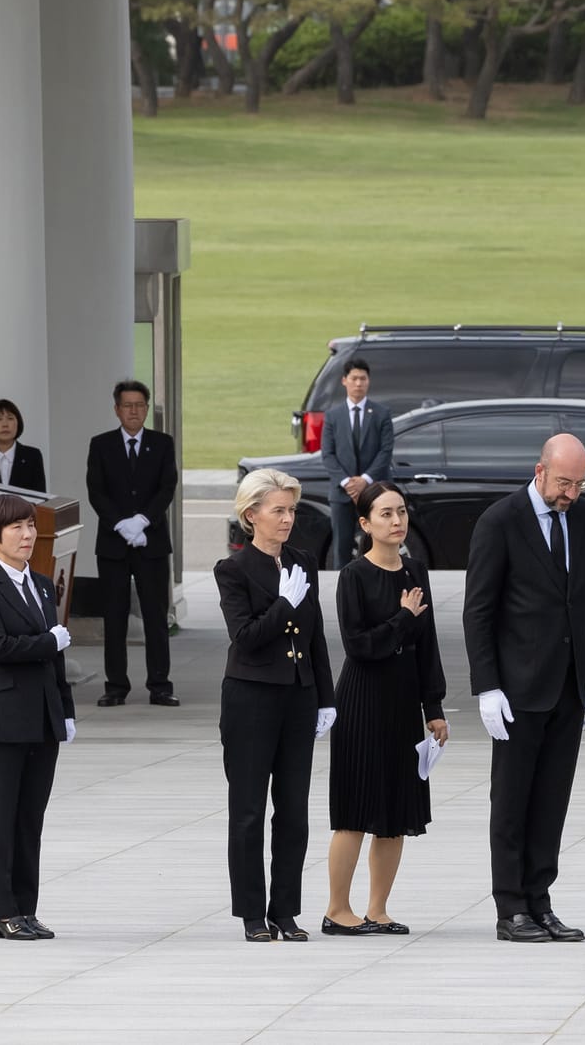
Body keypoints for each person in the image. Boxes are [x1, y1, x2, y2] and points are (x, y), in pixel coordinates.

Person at [464, 433, 585, 944]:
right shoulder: (500, 522)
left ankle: (541, 901)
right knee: (512, 801)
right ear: (540, 470)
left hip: (568, 686)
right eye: (564, 482)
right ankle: (511, 908)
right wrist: (487, 687)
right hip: (517, 690)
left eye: (579, 483)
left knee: (551, 801)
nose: (570, 493)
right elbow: (478, 610)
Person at [215, 468, 337, 943]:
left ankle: (285, 909)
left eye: (291, 510)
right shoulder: (233, 570)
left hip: (297, 696)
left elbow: (316, 635)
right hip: (251, 697)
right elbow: (245, 639)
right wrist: (283, 606)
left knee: (294, 810)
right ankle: (251, 913)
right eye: (278, 510)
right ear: (252, 515)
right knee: (247, 809)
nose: (288, 519)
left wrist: (325, 696)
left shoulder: (303, 561)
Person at [323, 482, 448, 937]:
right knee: (356, 809)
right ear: (364, 523)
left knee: (395, 813)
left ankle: (378, 909)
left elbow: (427, 645)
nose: (397, 522)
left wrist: (433, 706)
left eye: (401, 512)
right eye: (386, 514)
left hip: (402, 701)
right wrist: (401, 619)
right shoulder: (354, 575)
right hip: (362, 700)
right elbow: (358, 647)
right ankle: (337, 909)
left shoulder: (416, 571)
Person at [0, 492, 75, 941]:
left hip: (43, 717)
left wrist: (65, 710)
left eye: (30, 525)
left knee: (31, 818)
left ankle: (26, 909)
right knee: (1, 818)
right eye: (17, 528)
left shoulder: (44, 584)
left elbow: (57, 658)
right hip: (2, 719)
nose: (28, 535)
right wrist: (50, 641)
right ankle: (2, 912)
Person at [84, 379, 177, 707]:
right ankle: (115, 685)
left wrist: (142, 521)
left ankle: (160, 685)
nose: (134, 411)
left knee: (155, 616)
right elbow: (96, 490)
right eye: (127, 405)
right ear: (117, 409)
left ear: (147, 408)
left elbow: (167, 487)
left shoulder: (162, 443)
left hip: (151, 543)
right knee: (115, 617)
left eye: (140, 405)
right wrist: (121, 524)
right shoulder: (102, 444)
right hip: (113, 544)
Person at [321, 358, 395, 570]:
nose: (358, 383)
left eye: (363, 379)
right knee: (342, 547)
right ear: (344, 381)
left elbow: (385, 451)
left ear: (368, 381)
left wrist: (365, 481)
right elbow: (327, 454)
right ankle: (343, 590)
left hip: (375, 492)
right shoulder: (333, 416)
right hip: (342, 494)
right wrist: (347, 482)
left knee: (375, 543)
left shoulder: (381, 413)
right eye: (354, 378)